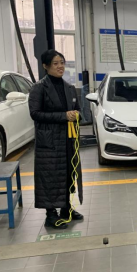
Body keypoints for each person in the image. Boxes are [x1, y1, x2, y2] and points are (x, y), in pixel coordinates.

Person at [29, 50, 84, 230]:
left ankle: (66, 209)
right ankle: (51, 215)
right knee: (50, 177)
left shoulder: (69, 88)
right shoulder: (39, 88)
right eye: (55, 63)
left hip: (67, 139)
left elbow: (77, 109)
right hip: (49, 142)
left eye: (62, 62)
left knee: (68, 173)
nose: (60, 66)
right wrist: (63, 116)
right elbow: (35, 114)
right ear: (45, 66)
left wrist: (76, 114)